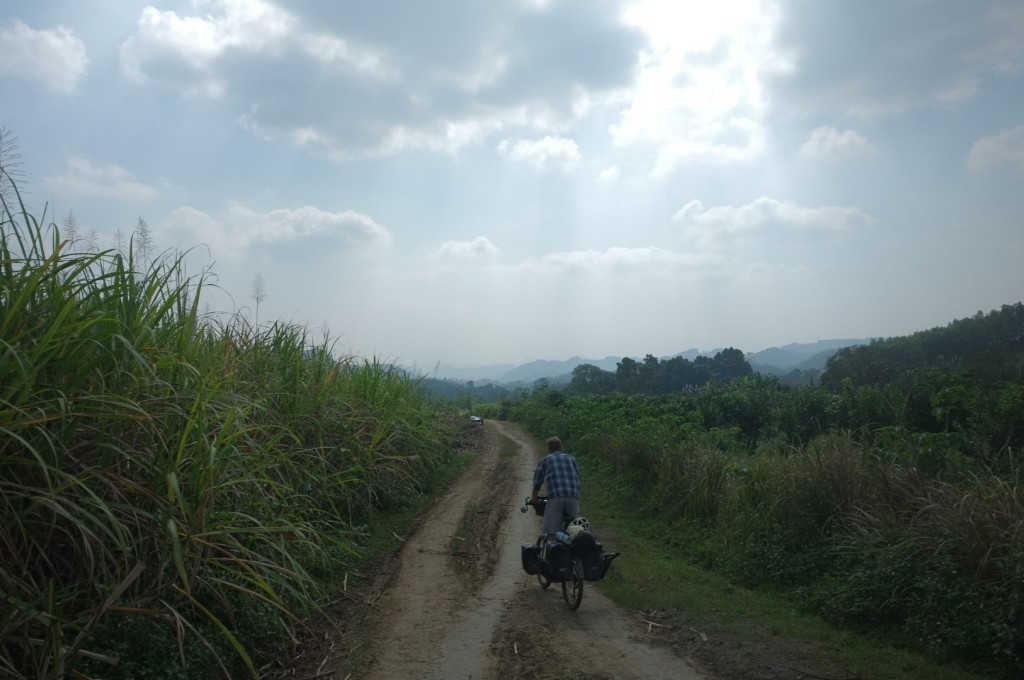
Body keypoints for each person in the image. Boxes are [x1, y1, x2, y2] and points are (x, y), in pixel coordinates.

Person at [530, 436, 581, 545]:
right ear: (560, 447)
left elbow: (537, 483)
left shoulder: (546, 460)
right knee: (576, 532)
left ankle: (553, 551)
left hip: (556, 497)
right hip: (573, 497)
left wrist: (534, 500)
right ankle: (578, 559)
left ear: (549, 448)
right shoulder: (571, 458)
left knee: (551, 531)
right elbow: (577, 477)